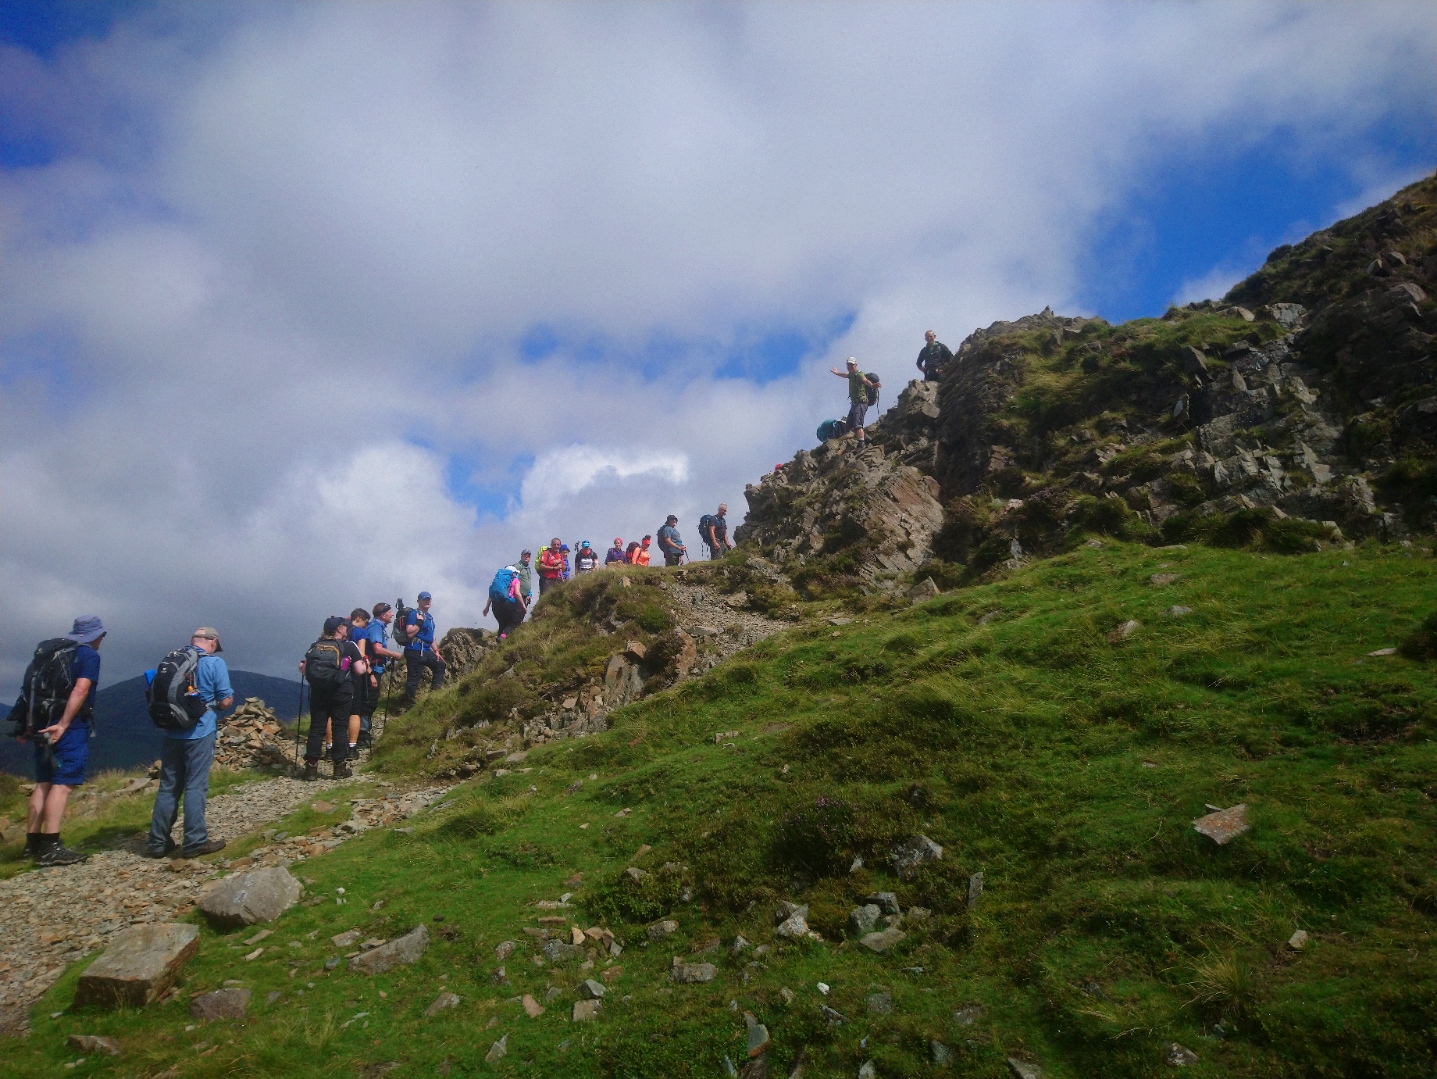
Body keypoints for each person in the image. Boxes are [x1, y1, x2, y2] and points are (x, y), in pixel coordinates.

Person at [9, 616, 106, 866]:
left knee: (43, 783)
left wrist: (28, 726)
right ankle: (52, 846)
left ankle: (32, 845)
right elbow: (80, 690)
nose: (102, 640)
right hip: (68, 727)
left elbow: (29, 690)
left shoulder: (49, 654)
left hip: (41, 725)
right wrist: (64, 724)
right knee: (62, 785)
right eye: (101, 635)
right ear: (94, 635)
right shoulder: (88, 656)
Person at [147, 627, 232, 859]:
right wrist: (210, 704)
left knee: (168, 786)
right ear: (213, 642)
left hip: (172, 730)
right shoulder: (215, 664)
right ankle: (195, 841)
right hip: (200, 731)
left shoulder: (172, 660)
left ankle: (157, 843)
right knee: (195, 786)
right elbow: (225, 701)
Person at [301, 616, 366, 779]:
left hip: (318, 691)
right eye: (344, 626)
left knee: (316, 728)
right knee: (339, 727)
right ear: (339, 629)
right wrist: (365, 664)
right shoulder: (349, 646)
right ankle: (339, 768)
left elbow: (303, 669)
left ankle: (311, 769)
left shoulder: (316, 646)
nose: (346, 628)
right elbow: (359, 670)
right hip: (341, 690)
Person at [362, 602, 404, 748]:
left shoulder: (376, 626)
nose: (392, 614)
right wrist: (394, 654)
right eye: (390, 612)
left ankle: (363, 732)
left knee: (369, 700)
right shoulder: (375, 627)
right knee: (369, 701)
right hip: (373, 669)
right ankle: (362, 734)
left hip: (375, 667)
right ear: (383, 614)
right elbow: (377, 649)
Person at [402, 591, 444, 706]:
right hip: (414, 650)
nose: (427, 601)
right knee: (414, 677)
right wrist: (419, 623)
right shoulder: (413, 614)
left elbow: (431, 637)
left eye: (429, 599)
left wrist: (436, 651)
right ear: (418, 601)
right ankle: (409, 704)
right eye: (424, 599)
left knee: (440, 664)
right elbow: (409, 633)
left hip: (425, 650)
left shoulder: (429, 617)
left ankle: (434, 695)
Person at [830, 357, 878, 448]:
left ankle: (862, 444)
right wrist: (836, 373)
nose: (849, 366)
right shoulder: (851, 375)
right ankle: (866, 438)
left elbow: (865, 381)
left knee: (857, 424)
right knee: (849, 425)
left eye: (851, 365)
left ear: (855, 365)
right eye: (848, 365)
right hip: (855, 403)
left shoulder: (859, 374)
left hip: (861, 402)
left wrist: (872, 385)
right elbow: (844, 375)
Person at [344, 607, 373, 759]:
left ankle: (331, 747)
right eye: (365, 622)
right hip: (355, 675)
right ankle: (351, 747)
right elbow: (362, 656)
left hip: (338, 675)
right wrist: (370, 673)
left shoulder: (342, 631)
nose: (366, 626)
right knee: (355, 712)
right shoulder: (361, 633)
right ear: (359, 618)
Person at [483, 565, 528, 639]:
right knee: (514, 622)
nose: (516, 575)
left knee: (502, 624)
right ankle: (503, 636)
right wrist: (523, 605)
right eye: (516, 573)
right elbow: (517, 593)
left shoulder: (497, 581)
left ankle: (499, 643)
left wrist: (487, 607)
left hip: (495, 606)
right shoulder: (515, 580)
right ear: (512, 573)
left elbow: (491, 595)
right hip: (508, 605)